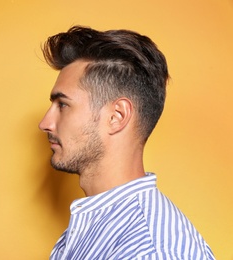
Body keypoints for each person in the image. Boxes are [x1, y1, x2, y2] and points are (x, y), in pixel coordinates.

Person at [38, 26, 214, 259]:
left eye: (62, 105)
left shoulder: (151, 250)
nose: (45, 123)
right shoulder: (97, 223)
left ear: (117, 116)